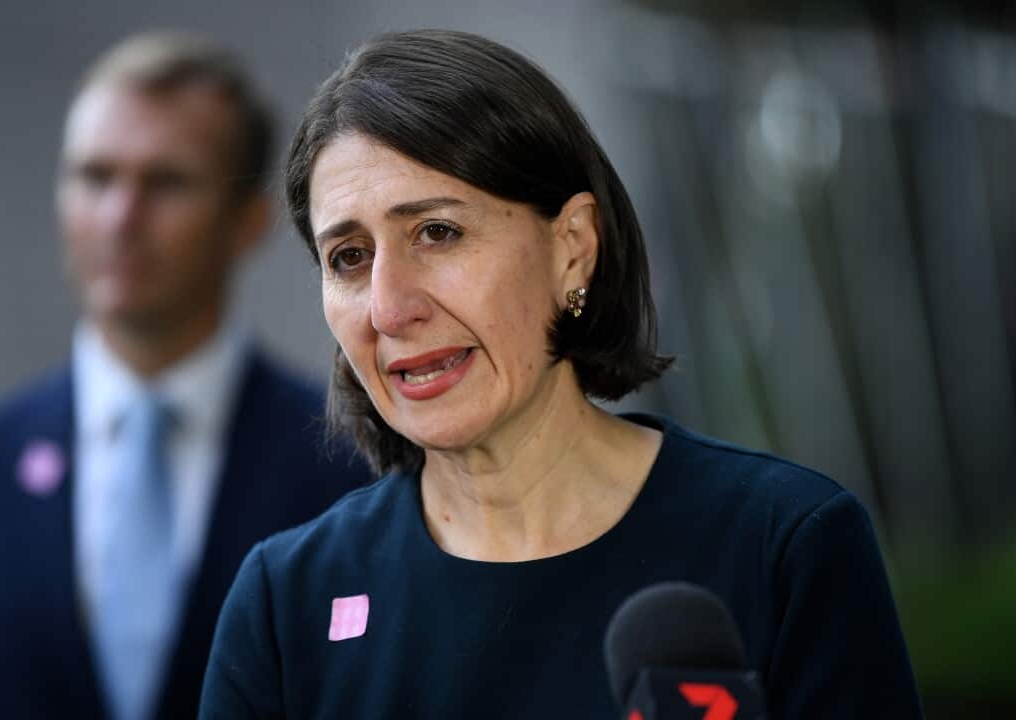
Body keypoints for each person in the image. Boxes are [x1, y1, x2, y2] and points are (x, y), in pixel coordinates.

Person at [200, 29, 922, 719]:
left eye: (438, 232)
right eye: (350, 257)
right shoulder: (285, 602)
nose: (390, 308)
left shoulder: (784, 548)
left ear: (573, 247)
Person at [0, 31, 369, 720]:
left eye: (167, 182)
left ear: (249, 220)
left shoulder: (351, 463)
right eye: (95, 177)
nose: (120, 218)